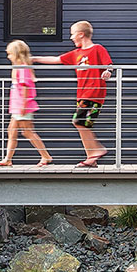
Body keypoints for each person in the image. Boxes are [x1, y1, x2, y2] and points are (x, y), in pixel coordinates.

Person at [56, 20, 112, 167]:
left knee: (78, 122)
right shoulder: (76, 53)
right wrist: (33, 59)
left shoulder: (97, 49)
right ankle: (91, 158)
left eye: (72, 34)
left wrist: (108, 71)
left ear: (81, 34)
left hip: (94, 93)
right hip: (82, 95)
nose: (71, 38)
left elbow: (109, 64)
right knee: (83, 124)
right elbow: (57, 59)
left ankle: (97, 150)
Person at [0, 40, 53, 167]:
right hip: (17, 107)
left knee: (27, 131)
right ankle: (8, 158)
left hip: (22, 106)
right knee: (12, 131)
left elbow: (25, 87)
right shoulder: (19, 68)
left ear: (16, 54)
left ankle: (46, 156)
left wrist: (23, 106)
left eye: (10, 54)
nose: (8, 56)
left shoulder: (23, 67)